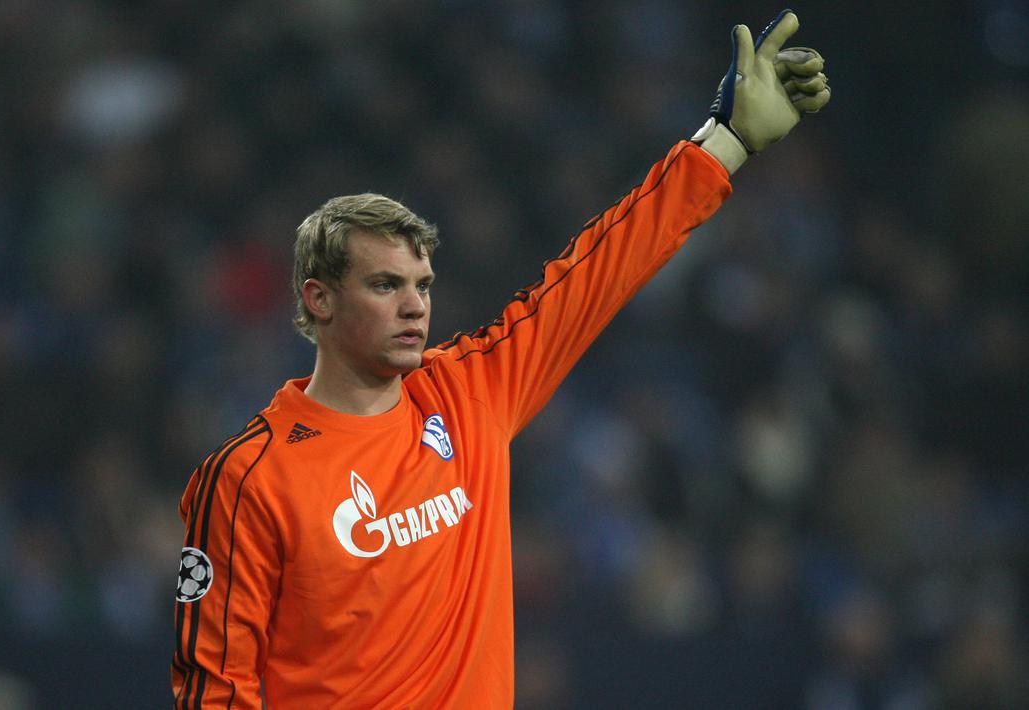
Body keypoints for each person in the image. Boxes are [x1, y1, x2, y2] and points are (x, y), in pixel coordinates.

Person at [171, 9, 831, 708]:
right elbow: (212, 693)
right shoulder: (249, 480)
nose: (414, 306)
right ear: (320, 300)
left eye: (421, 285)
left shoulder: (468, 393)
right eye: (384, 285)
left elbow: (597, 273)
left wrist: (722, 142)